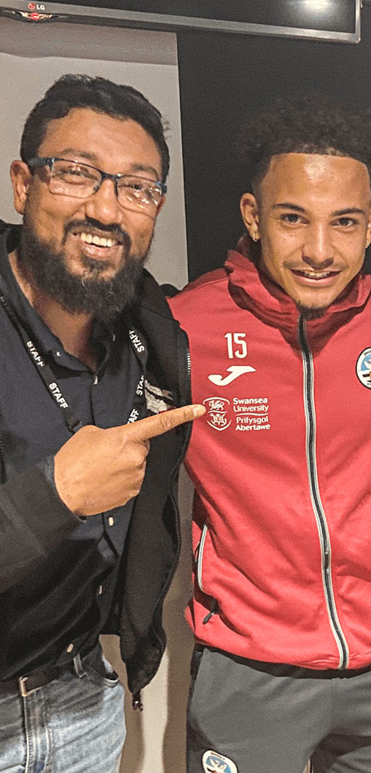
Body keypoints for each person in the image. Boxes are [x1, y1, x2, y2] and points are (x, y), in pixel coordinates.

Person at [170, 95, 371, 773]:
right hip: (251, 674)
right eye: (293, 219)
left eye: (344, 223)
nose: (320, 251)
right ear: (253, 216)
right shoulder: (185, 325)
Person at [0, 74, 203, 773]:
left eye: (137, 187)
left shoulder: (148, 332)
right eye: (79, 173)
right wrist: (53, 496)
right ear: (24, 184)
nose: (106, 208)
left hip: (83, 696)